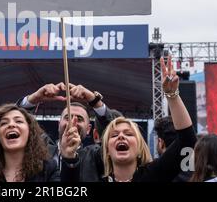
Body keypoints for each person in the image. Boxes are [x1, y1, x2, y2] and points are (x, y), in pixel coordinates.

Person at [62, 55, 197, 182]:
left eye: (128, 134)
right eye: (114, 135)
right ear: (106, 150)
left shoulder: (153, 176)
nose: (121, 136)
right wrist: (69, 158)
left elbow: (187, 140)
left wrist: (172, 95)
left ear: (139, 147)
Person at [17, 83, 119, 181]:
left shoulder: (95, 156)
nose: (72, 122)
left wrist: (94, 100)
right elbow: (16, 123)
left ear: (88, 129)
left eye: (79, 119)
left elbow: (115, 131)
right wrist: (35, 98)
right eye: (67, 117)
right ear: (58, 124)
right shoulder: (39, 149)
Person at [0, 104, 60, 182]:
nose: (11, 125)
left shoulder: (48, 169)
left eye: (19, 121)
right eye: (4, 123)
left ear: (30, 132)